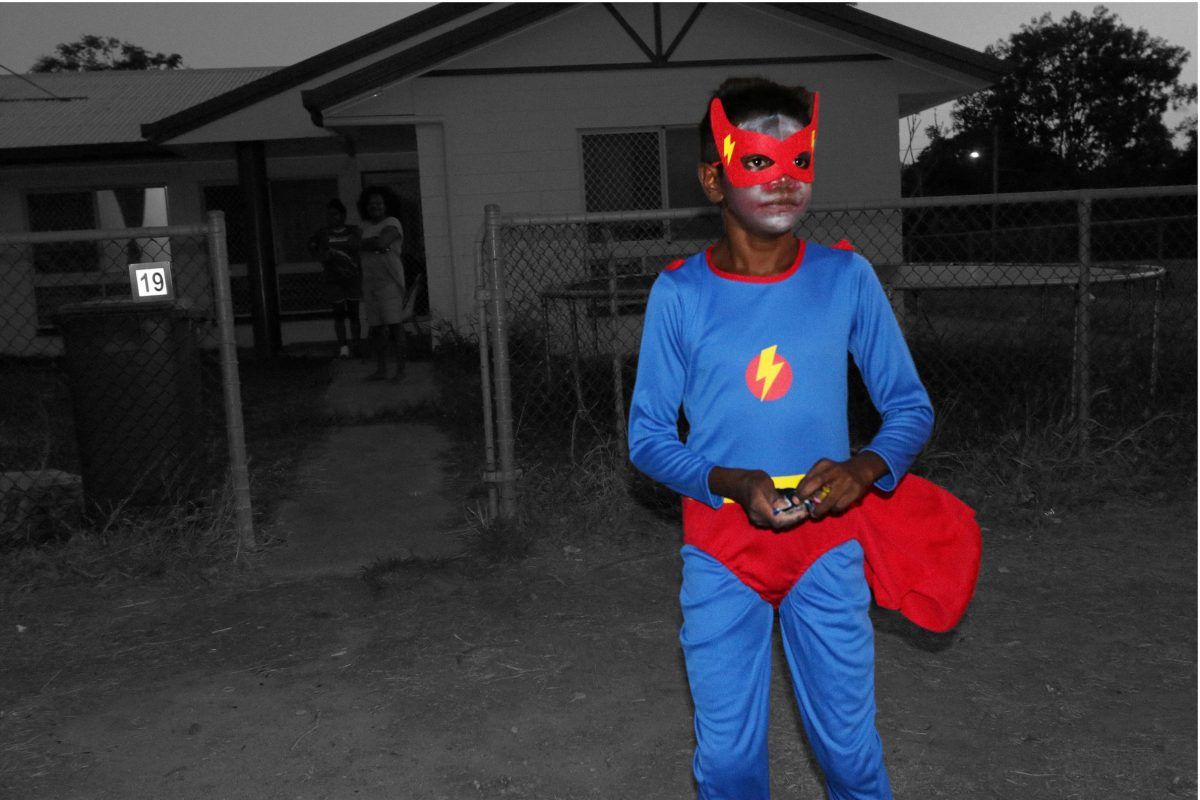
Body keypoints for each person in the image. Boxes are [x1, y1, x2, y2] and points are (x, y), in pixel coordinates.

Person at [628, 77, 978, 799]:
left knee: (849, 757)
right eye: (759, 162)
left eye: (800, 161)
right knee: (726, 764)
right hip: (723, 550)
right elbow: (648, 437)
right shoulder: (680, 294)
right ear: (713, 178)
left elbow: (910, 407)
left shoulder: (846, 278)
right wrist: (730, 482)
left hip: (828, 545)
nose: (785, 181)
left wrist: (865, 466)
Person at [356, 186, 408, 381]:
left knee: (395, 327)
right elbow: (358, 244)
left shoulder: (392, 222)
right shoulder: (364, 226)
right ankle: (381, 370)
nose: (374, 206)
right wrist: (373, 243)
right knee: (377, 329)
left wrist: (366, 244)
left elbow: (382, 242)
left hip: (389, 283)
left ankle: (401, 371)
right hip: (370, 284)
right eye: (370, 203)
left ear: (386, 204)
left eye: (378, 202)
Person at [307, 199, 362, 359]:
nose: (331, 218)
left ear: (343, 215)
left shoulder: (353, 231)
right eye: (328, 215)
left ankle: (356, 347)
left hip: (352, 278)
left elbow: (359, 246)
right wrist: (321, 256)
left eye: (335, 214)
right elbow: (312, 246)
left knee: (354, 313)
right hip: (333, 279)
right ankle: (343, 348)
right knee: (338, 314)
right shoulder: (322, 233)